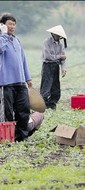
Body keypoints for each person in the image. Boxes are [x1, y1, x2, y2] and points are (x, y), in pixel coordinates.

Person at [0, 13, 32, 142]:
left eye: (14, 24)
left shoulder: (16, 40)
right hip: (6, 82)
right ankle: (8, 137)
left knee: (23, 110)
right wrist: (3, 35)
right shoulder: (2, 39)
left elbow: (23, 60)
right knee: (7, 112)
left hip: (20, 82)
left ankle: (21, 137)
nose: (12, 27)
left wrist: (28, 78)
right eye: (9, 24)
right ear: (2, 25)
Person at [40, 25, 67, 110]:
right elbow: (48, 56)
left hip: (55, 66)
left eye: (59, 35)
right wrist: (59, 57)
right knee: (46, 86)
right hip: (47, 66)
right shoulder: (47, 42)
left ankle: (52, 105)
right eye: (57, 34)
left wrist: (63, 68)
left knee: (55, 87)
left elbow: (63, 58)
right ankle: (43, 104)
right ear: (52, 34)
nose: (58, 36)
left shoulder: (60, 45)